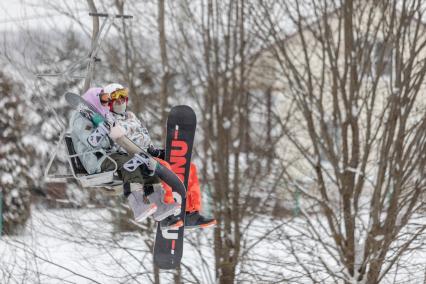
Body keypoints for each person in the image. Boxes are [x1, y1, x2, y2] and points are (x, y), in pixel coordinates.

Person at [103, 83, 217, 230]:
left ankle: (191, 213)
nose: (121, 101)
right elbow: (118, 145)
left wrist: (156, 151)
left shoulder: (131, 118)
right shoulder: (109, 122)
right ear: (109, 102)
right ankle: (166, 214)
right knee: (165, 167)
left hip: (147, 155)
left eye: (123, 97)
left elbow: (144, 141)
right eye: (116, 98)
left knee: (190, 168)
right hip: (135, 159)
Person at [69, 87, 182, 229]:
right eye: (104, 99)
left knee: (144, 166)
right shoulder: (80, 119)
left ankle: (160, 206)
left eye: (108, 100)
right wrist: (103, 130)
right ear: (94, 99)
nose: (106, 103)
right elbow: (92, 142)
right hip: (96, 160)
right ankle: (138, 206)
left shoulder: (102, 117)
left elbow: (112, 142)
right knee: (130, 163)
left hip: (109, 156)